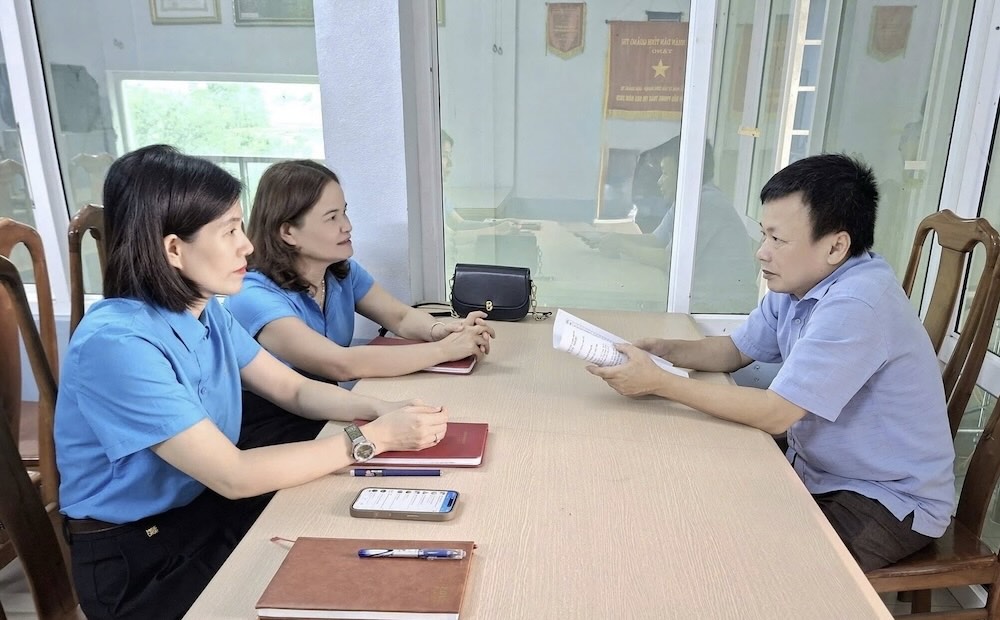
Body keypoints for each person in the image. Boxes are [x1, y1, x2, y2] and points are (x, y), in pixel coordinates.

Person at [55, 145, 448, 620]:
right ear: (174, 249)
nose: (248, 245)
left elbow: (294, 389)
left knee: (361, 557)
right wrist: (369, 440)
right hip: (141, 557)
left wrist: (379, 408)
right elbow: (233, 474)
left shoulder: (203, 311)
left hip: (201, 511)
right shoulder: (116, 343)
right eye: (229, 232)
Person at [587, 153, 955, 572]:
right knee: (703, 492)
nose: (762, 253)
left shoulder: (857, 303)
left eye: (778, 240)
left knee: (765, 569)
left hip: (885, 498)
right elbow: (735, 351)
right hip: (820, 468)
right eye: (764, 235)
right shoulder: (799, 282)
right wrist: (662, 350)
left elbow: (777, 413)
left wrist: (660, 383)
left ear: (836, 245)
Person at [226, 159, 495, 381]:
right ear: (287, 232)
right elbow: (339, 364)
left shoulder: (341, 272)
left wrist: (441, 330)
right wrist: (444, 350)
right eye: (332, 218)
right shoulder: (251, 294)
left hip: (328, 407)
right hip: (274, 425)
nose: (347, 226)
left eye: (344, 212)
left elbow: (399, 317)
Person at [584, 137, 759, 313]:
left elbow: (670, 260)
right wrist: (614, 238)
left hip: (725, 311)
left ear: (686, 173)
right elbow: (657, 239)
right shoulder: (687, 199)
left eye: (666, 173)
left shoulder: (705, 202)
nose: (659, 180)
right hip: (703, 301)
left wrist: (621, 246)